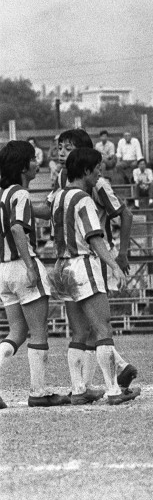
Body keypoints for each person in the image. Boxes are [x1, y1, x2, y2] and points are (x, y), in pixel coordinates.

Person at [52, 128, 138, 400]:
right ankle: (113, 389)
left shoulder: (58, 197)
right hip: (85, 264)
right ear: (87, 170)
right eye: (97, 170)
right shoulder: (84, 198)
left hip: (62, 266)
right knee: (102, 328)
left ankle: (79, 388)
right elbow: (95, 237)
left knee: (78, 331)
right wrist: (114, 264)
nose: (100, 174)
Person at [0, 141, 69, 408]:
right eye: (31, 158)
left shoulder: (2, 194)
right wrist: (30, 266)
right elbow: (18, 229)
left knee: (16, 332)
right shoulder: (20, 194)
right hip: (21, 264)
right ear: (21, 166)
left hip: (3, 269)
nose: (36, 162)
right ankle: (39, 392)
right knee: (38, 331)